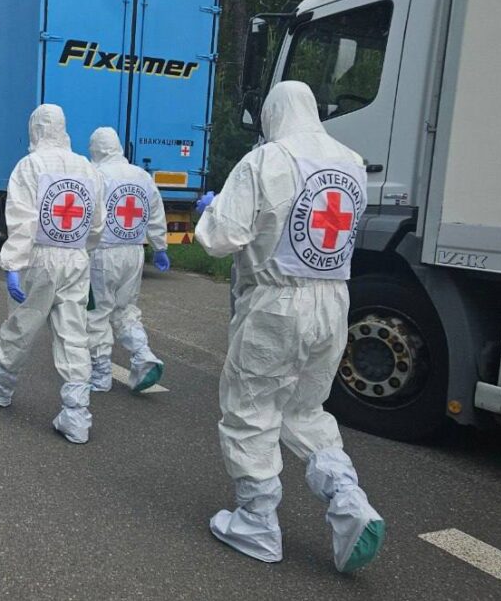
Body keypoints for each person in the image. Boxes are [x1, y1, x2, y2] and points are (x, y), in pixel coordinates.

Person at [194, 81, 383, 573]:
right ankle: (348, 500)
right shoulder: (351, 162)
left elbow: (219, 239)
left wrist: (211, 209)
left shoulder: (266, 161)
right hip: (333, 302)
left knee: (251, 409)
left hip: (277, 304)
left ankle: (256, 521)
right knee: (305, 409)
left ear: (273, 114)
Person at [0, 104, 105, 444]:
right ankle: (77, 414)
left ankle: (0, 382)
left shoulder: (30, 166)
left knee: (23, 323)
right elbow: (97, 224)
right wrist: (80, 251)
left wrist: (13, 265)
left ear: (35, 128)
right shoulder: (88, 168)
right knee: (74, 333)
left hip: (39, 258)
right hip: (75, 259)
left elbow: (22, 221)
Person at [85, 127, 170, 393]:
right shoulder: (141, 175)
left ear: (95, 148)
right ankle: (143, 355)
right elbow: (155, 212)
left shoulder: (95, 174)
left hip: (103, 254)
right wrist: (160, 247)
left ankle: (100, 373)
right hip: (134, 253)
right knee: (125, 310)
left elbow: (88, 214)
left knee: (97, 313)